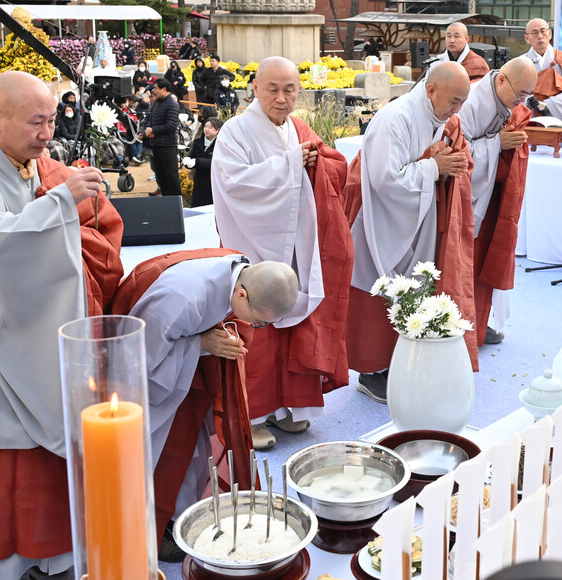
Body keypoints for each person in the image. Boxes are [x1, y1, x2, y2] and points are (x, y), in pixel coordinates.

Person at [0, 70, 123, 580]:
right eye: (36, 122)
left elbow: (88, 228)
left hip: (43, 327)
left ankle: (59, 553)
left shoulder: (34, 167)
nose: (47, 134)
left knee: (52, 452)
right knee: (8, 458)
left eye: (52, 120)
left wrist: (72, 202)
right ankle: (11, 564)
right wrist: (63, 204)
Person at [108, 251, 298, 561]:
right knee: (146, 456)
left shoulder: (237, 272)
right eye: (258, 321)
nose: (255, 326)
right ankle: (137, 536)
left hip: (180, 372)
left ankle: (172, 520)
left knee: (188, 450)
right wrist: (200, 344)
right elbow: (135, 357)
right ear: (241, 293)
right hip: (142, 386)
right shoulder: (184, 296)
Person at [211, 57, 354, 450]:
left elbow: (335, 167)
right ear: (254, 88)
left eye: (289, 89)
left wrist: (315, 163)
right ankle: (253, 414)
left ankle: (291, 407)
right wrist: (292, 164)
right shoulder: (235, 132)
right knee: (258, 329)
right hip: (251, 244)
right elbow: (234, 184)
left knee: (293, 325)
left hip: (295, 243)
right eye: (272, 88)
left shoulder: (299, 128)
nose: (281, 97)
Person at [342, 62, 473, 403]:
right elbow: (386, 178)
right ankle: (372, 372)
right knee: (378, 291)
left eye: (462, 102)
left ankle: (401, 364)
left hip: (415, 217)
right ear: (431, 90)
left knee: (411, 288)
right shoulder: (394, 119)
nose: (458, 110)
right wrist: (434, 166)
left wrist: (441, 163)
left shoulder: (437, 118)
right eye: (454, 101)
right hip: (381, 217)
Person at [458, 57, 537, 349]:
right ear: (501, 79)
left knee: (487, 257)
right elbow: (455, 148)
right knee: (465, 262)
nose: (520, 102)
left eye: (527, 96)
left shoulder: (506, 99)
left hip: (488, 190)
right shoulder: (471, 101)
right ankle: (462, 327)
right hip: (465, 195)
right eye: (519, 95)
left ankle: (480, 321)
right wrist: (497, 144)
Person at [522, 18, 562, 124]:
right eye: (534, 33)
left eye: (543, 31)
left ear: (550, 34)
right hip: (528, 123)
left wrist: (546, 105)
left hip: (558, 125)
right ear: (527, 38)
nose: (540, 36)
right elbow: (511, 94)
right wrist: (527, 103)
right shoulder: (520, 63)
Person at [144, 79, 180, 196]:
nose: (154, 91)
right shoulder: (157, 102)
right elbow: (151, 118)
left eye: (156, 88)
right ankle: (166, 199)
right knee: (161, 176)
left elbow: (171, 125)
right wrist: (147, 131)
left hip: (168, 146)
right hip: (156, 144)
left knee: (171, 176)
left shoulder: (172, 104)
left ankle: (175, 202)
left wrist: (153, 130)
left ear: (163, 89)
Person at [184, 116, 222, 206]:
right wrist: (187, 161)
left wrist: (197, 162)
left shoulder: (220, 144)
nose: (207, 129)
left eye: (210, 127)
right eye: (205, 126)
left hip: (213, 182)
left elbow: (216, 162)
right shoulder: (198, 142)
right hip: (199, 181)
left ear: (218, 130)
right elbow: (192, 156)